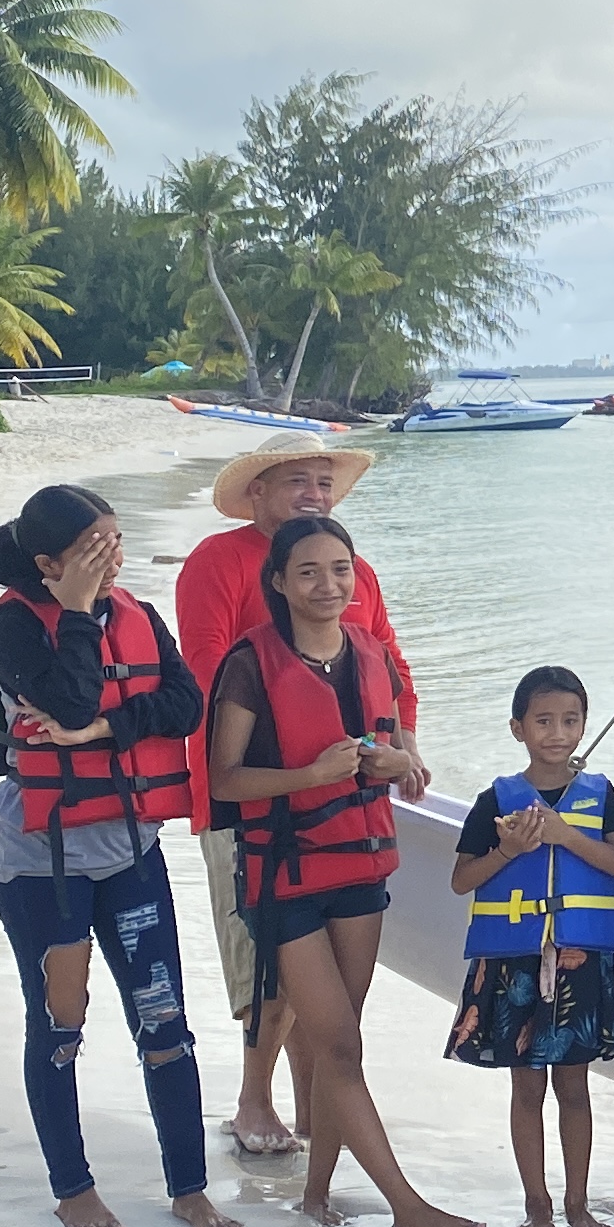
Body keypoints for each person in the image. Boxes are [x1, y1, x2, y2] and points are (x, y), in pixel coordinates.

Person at [200, 512, 475, 1227]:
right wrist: (308, 775)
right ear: (281, 584)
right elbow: (224, 779)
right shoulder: (250, 663)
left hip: (360, 866)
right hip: (283, 874)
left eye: (341, 571)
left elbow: (393, 753)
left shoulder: (371, 654)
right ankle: (406, 1207)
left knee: (336, 1043)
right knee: (342, 1045)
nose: (329, 585)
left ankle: (317, 1194)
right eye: (310, 572)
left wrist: (399, 764)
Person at [0, 485, 239, 1227]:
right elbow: (66, 690)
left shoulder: (143, 619)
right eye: (96, 549)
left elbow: (186, 708)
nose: (113, 558)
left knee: (165, 1022)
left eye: (118, 542)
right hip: (39, 862)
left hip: (130, 848)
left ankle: (188, 1187)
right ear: (50, 562)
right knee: (61, 1023)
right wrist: (83, 613)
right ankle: (73, 1188)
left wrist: (98, 732)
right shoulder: (12, 631)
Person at [174, 436, 411, 1159]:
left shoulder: (351, 569)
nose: (314, 493)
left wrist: (401, 750)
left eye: (323, 482)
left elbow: (388, 664)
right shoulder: (218, 563)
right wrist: (301, 762)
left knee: (331, 991)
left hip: (346, 793)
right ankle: (254, 1100)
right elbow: (210, 667)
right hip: (252, 795)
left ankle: (319, 1112)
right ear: (257, 495)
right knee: (264, 967)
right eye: (296, 482)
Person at [448, 665, 614, 1227]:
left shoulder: (600, 797)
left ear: (584, 726)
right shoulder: (495, 801)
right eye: (544, 721)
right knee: (525, 1087)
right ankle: (537, 1208)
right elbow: (461, 879)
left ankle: (579, 1206)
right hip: (512, 961)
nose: (557, 732)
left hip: (579, 960)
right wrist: (508, 850)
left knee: (573, 1088)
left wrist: (564, 834)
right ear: (518, 728)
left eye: (570, 721)